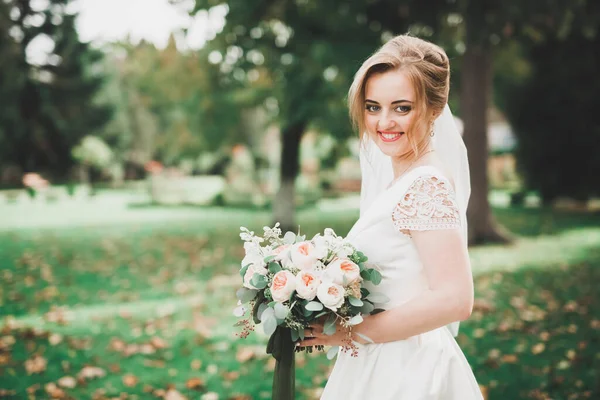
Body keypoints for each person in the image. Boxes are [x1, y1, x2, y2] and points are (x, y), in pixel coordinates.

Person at [297, 34, 484, 399]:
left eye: (401, 108)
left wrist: (347, 332)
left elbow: (455, 299)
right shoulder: (402, 180)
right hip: (379, 358)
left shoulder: (425, 185)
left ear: (432, 108)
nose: (384, 122)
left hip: (407, 370)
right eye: (372, 107)